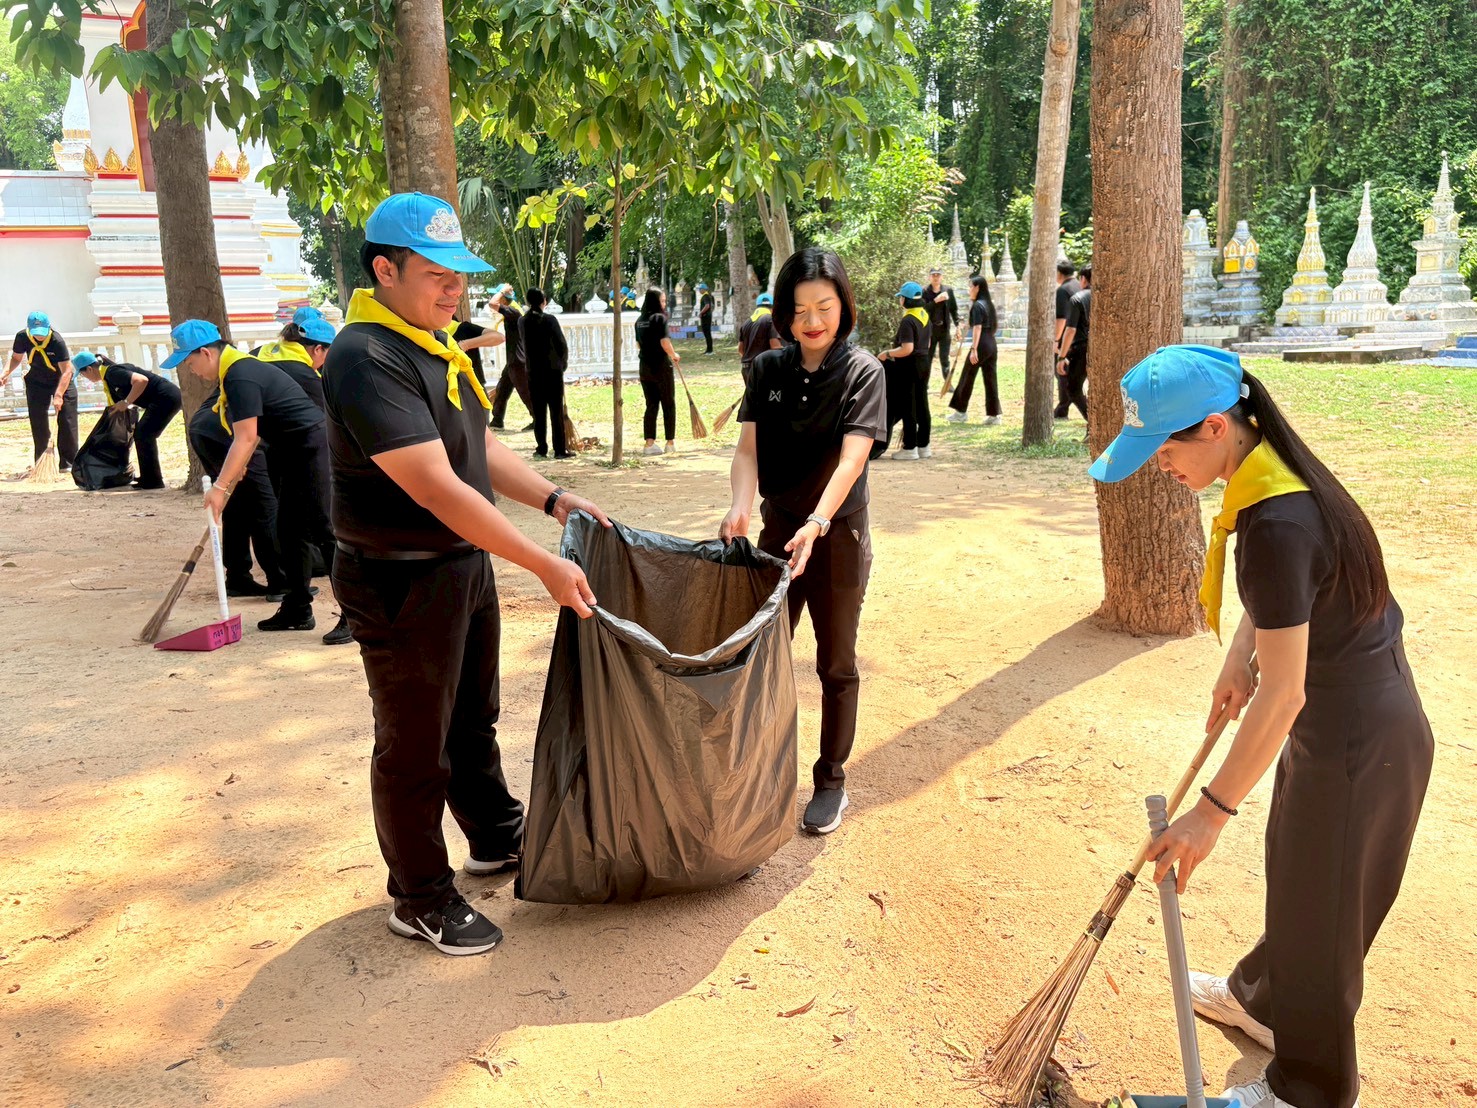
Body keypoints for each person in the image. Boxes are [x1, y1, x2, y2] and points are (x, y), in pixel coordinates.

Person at [1090, 345, 1433, 1108]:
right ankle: (1262, 1002)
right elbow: (1286, 606)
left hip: (1354, 741)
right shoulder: (1270, 473)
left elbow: (1283, 698)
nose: (1159, 467)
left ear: (1214, 427)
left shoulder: (1277, 521)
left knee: (1320, 909)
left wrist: (1207, 814)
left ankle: (1307, 1089)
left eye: (1164, 449)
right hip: (1352, 722)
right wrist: (1238, 654)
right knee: (1302, 878)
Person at [321, 191, 609, 956]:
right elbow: (434, 484)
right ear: (384, 270)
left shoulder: (433, 342)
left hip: (456, 566)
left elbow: (473, 449)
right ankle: (417, 895)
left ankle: (494, 834)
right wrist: (541, 564)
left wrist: (551, 497)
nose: (455, 290)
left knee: (470, 717)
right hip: (397, 576)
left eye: (460, 275)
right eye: (436, 275)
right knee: (415, 742)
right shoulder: (364, 354)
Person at [721, 247, 886, 835]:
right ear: (784, 316)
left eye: (824, 306)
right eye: (799, 310)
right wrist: (742, 503)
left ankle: (831, 780)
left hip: (837, 535)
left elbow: (851, 461)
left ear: (843, 303)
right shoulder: (766, 370)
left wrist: (817, 523)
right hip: (778, 533)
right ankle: (757, 773)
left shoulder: (864, 372)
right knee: (761, 656)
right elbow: (747, 452)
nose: (812, 321)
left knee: (836, 662)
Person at [165, 319, 344, 643]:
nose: (191, 371)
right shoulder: (235, 372)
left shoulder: (240, 374)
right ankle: (297, 608)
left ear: (205, 353)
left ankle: (355, 616)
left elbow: (246, 438)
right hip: (285, 450)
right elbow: (251, 433)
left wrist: (220, 488)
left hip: (310, 448)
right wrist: (235, 469)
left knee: (324, 532)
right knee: (288, 532)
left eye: (189, 363)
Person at [187, 384, 291, 600]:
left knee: (238, 501)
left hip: (203, 428)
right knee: (265, 505)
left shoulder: (260, 361)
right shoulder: (301, 370)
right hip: (230, 431)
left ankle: (237, 577)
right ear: (317, 349)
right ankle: (281, 581)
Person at [71, 351, 182, 488]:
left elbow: (141, 380)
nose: (84, 377)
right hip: (160, 400)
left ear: (89, 369)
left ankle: (153, 480)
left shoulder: (113, 373)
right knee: (143, 434)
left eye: (83, 374)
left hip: (166, 397)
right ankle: (150, 478)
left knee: (144, 435)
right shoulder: (108, 378)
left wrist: (126, 401)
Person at [4, 311, 78, 473]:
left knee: (66, 420)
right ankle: (42, 461)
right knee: (38, 421)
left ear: (48, 327)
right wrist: (5, 373)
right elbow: (16, 358)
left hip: (61, 381)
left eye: (42, 333)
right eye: (36, 333)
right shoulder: (22, 337)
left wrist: (59, 395)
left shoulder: (56, 341)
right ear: (29, 329)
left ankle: (68, 462)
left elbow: (67, 371)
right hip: (37, 381)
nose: (40, 337)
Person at [877, 281, 931, 461]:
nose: (899, 300)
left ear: (906, 300)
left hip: (909, 366)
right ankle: (924, 446)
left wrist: (886, 353)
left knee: (909, 405)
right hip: (924, 363)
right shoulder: (924, 315)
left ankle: (910, 447)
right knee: (922, 403)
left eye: (901, 297)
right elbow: (928, 344)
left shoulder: (908, 320)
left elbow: (907, 348)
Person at [518, 287, 572, 459]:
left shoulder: (523, 321)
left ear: (528, 302)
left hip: (533, 371)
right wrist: (563, 364)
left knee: (539, 412)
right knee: (556, 410)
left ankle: (541, 448)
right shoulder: (550, 320)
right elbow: (561, 344)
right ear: (544, 302)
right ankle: (559, 450)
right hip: (553, 371)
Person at [946, 274, 1001, 425]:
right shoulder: (989, 304)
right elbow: (990, 326)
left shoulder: (977, 305)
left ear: (977, 288)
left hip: (981, 344)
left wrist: (974, 349)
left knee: (967, 376)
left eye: (971, 286)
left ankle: (960, 412)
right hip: (991, 343)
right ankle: (994, 415)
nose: (969, 289)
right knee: (990, 379)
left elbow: (977, 327)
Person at [257, 317, 339, 411]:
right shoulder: (306, 376)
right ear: (318, 349)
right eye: (328, 353)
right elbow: (329, 410)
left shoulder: (260, 351)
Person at [635, 287, 680, 456]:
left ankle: (649, 444)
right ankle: (670, 442)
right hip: (661, 367)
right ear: (655, 302)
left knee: (651, 404)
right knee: (668, 403)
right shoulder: (660, 319)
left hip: (644, 367)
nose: (664, 304)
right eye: (662, 300)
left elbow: (638, 344)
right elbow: (664, 342)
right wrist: (674, 355)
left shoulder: (639, 320)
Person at [483, 284, 532, 432]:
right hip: (513, 360)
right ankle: (497, 420)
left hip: (518, 361)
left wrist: (502, 291)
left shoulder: (512, 312)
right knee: (502, 389)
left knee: (525, 392)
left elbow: (492, 304)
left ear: (504, 299)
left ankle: (538, 419)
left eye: (499, 296)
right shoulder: (511, 313)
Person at [1055, 264, 1091, 425]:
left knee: (1073, 388)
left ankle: (1093, 423)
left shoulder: (1077, 298)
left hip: (1081, 348)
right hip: (1099, 349)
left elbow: (1069, 329)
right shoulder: (1104, 297)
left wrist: (1061, 355)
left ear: (1083, 279)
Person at [1052, 260, 1082, 419]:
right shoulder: (1078, 286)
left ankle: (1062, 408)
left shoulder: (1063, 290)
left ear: (1059, 273)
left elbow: (1061, 318)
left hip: (1069, 337)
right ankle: (1063, 406)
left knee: (1061, 371)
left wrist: (1056, 340)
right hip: (1081, 335)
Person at [736, 291, 784, 384]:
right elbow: (775, 347)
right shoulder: (771, 319)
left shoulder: (746, 323)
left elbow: (740, 349)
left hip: (747, 369)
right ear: (772, 307)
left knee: (753, 398)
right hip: (764, 369)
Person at [922, 266, 959, 383]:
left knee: (945, 359)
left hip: (944, 329)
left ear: (942, 277)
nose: (936, 277)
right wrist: (935, 301)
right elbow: (922, 310)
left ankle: (948, 384)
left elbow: (953, 309)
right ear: (930, 277)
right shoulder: (925, 292)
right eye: (933, 275)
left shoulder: (948, 290)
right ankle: (924, 384)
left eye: (938, 275)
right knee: (927, 358)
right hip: (930, 331)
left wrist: (957, 326)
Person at [697, 282, 715, 354]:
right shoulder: (706, 296)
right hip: (706, 316)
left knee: (707, 333)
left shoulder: (705, 296)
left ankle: (710, 350)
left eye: (700, 289)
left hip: (706, 317)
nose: (699, 291)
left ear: (704, 289)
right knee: (706, 333)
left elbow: (707, 306)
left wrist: (701, 313)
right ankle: (708, 349)